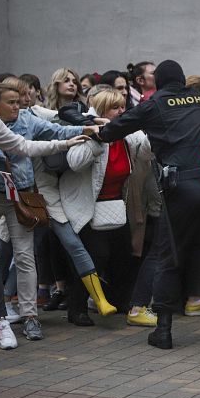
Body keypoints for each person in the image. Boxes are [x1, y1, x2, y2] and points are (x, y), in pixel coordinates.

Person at [98, 59, 200, 349]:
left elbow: (112, 131)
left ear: (159, 82)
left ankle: (164, 330)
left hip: (181, 189)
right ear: (181, 80)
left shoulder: (153, 104)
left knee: (169, 257)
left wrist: (96, 129)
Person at [0, 69, 87, 349]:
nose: (18, 106)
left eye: (19, 101)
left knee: (16, 256)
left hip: (12, 196)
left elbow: (27, 145)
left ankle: (26, 315)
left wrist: (71, 139)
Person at [59, 89, 152, 324]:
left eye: (123, 107)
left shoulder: (128, 136)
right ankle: (77, 307)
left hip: (115, 207)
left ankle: (118, 301)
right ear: (101, 112)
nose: (121, 112)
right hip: (85, 206)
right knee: (95, 257)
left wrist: (152, 129)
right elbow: (75, 162)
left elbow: (146, 152)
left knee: (123, 255)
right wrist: (99, 138)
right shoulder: (89, 132)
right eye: (115, 108)